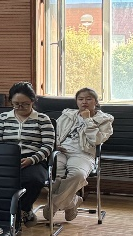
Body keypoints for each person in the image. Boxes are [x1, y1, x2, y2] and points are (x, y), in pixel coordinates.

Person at [0, 83, 57, 227]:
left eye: (25, 104)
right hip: (8, 158)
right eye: (16, 104)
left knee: (34, 180)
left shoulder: (42, 119)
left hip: (34, 159)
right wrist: (4, 159)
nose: (20, 107)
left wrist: (32, 160)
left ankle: (23, 210)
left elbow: (48, 146)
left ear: (33, 101)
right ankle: (10, 217)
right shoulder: (3, 117)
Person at [47, 87, 114, 223]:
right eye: (80, 99)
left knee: (78, 175)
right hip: (61, 151)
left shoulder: (105, 120)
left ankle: (53, 204)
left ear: (96, 102)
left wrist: (88, 120)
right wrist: (55, 145)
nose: (84, 102)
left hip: (83, 154)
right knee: (51, 174)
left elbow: (97, 140)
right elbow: (54, 132)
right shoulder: (67, 115)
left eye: (88, 99)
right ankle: (72, 202)